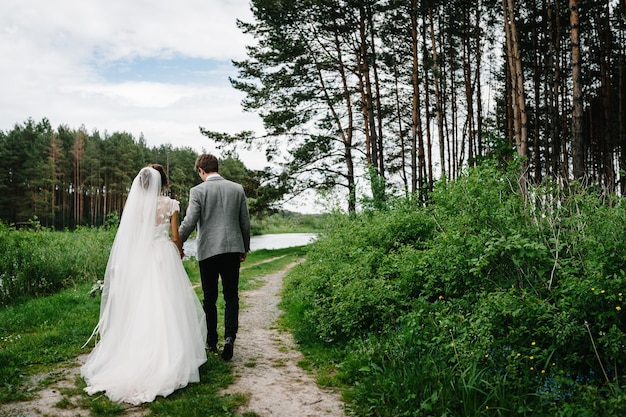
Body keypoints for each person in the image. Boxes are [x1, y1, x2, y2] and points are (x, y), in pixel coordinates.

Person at [81, 164, 207, 405]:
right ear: (163, 182)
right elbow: (175, 236)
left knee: (141, 303)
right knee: (167, 302)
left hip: (141, 258)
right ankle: (168, 356)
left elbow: (131, 235)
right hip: (162, 255)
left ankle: (135, 355)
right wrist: (178, 251)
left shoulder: (135, 205)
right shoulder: (170, 205)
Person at [179, 153, 251, 361]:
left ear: (201, 170)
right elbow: (244, 222)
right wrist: (244, 247)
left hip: (208, 251)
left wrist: (177, 242)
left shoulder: (197, 191)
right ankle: (230, 338)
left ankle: (211, 341)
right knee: (231, 296)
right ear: (216, 167)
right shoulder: (237, 189)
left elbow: (190, 221)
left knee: (209, 298)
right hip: (231, 250)